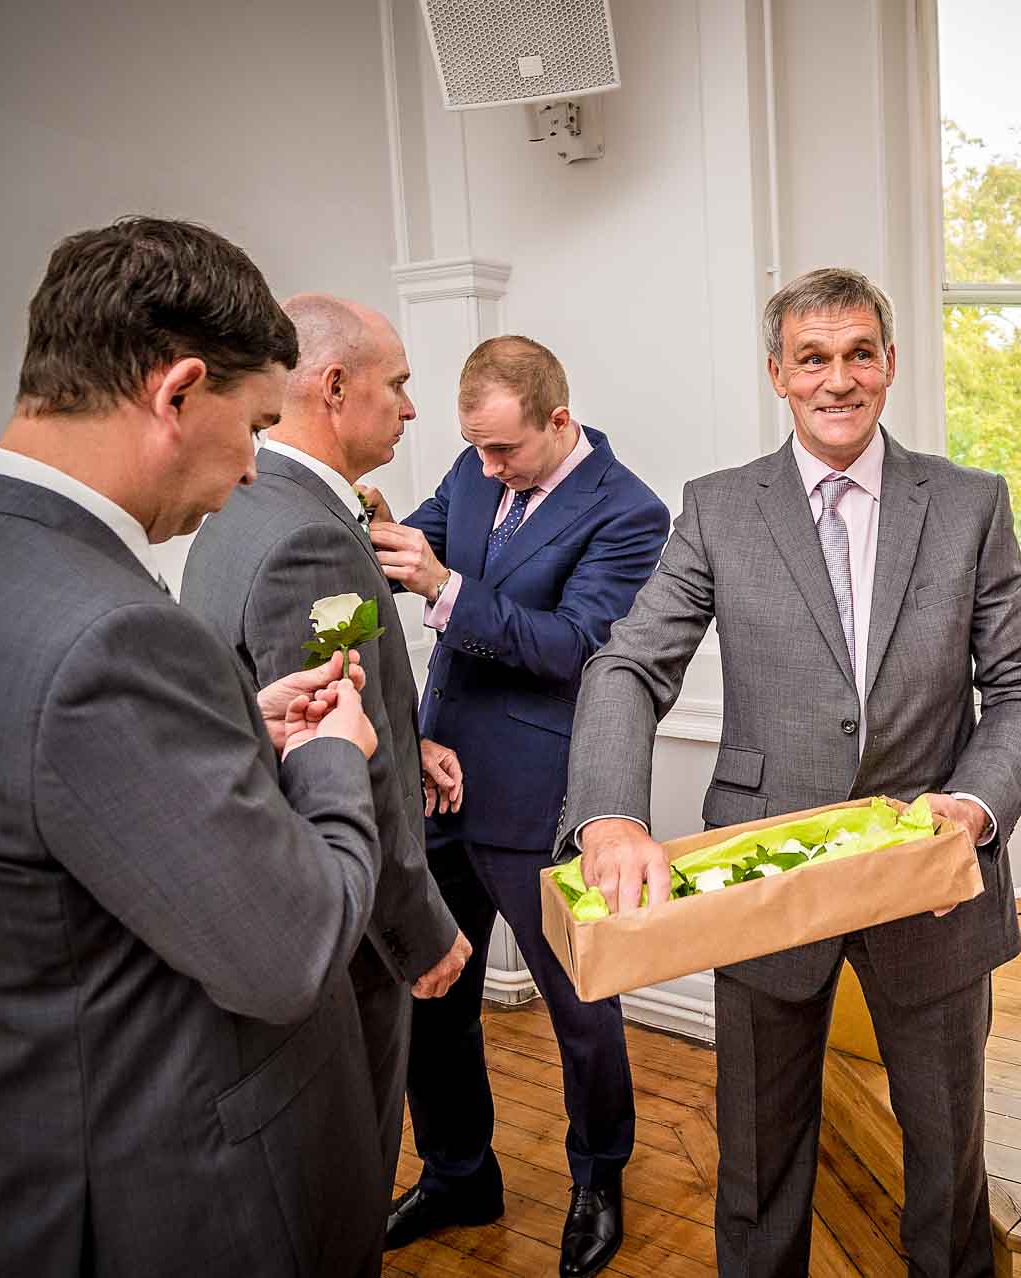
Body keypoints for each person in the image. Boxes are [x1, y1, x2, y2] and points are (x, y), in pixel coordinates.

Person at [0, 218, 391, 1275]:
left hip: (25, 1168)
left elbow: (52, 802)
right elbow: (293, 953)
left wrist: (237, 732)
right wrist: (330, 756)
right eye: (257, 425)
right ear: (176, 391)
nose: (254, 469)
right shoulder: (108, 633)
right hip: (178, 1198)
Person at [562, 267, 1021, 1278]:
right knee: (757, 1157)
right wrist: (609, 813)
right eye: (814, 358)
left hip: (930, 878)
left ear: (889, 365)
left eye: (859, 354)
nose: (839, 379)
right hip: (766, 878)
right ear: (778, 375)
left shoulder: (969, 505)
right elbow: (626, 662)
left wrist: (972, 806)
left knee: (947, 1157)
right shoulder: (717, 509)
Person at [364, 335, 670, 1276]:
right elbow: (403, 544)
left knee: (580, 1008)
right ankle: (459, 1173)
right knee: (432, 994)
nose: (487, 468)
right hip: (436, 781)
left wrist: (445, 587)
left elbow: (579, 647)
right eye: (476, 449)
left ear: (560, 421)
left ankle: (598, 1179)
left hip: (540, 796)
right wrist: (362, 516)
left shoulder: (630, 512)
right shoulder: (471, 467)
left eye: (505, 451)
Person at [181, 293, 473, 1205]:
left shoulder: (247, 504)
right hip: (346, 934)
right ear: (336, 388)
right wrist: (417, 933)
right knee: (345, 1181)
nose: (413, 408)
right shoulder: (311, 536)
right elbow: (335, 754)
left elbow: (327, 698)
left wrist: (410, 733)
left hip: (272, 906)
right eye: (400, 385)